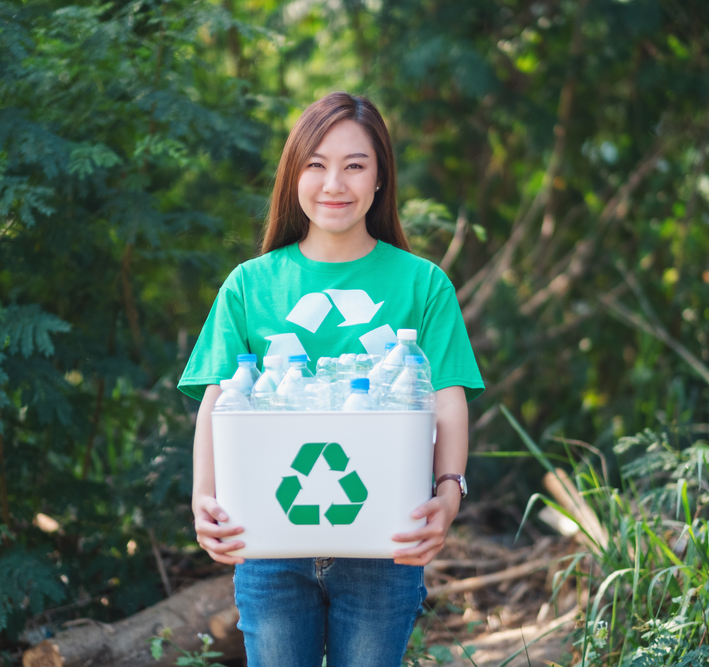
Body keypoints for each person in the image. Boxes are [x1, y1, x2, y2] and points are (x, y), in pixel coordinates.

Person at [178, 92, 484, 667]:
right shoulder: (250, 284)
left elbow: (448, 399)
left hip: (383, 544)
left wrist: (449, 493)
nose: (333, 184)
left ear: (379, 178)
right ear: (294, 175)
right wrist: (203, 501)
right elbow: (216, 399)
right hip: (269, 544)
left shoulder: (423, 284)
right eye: (316, 164)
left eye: (354, 165)